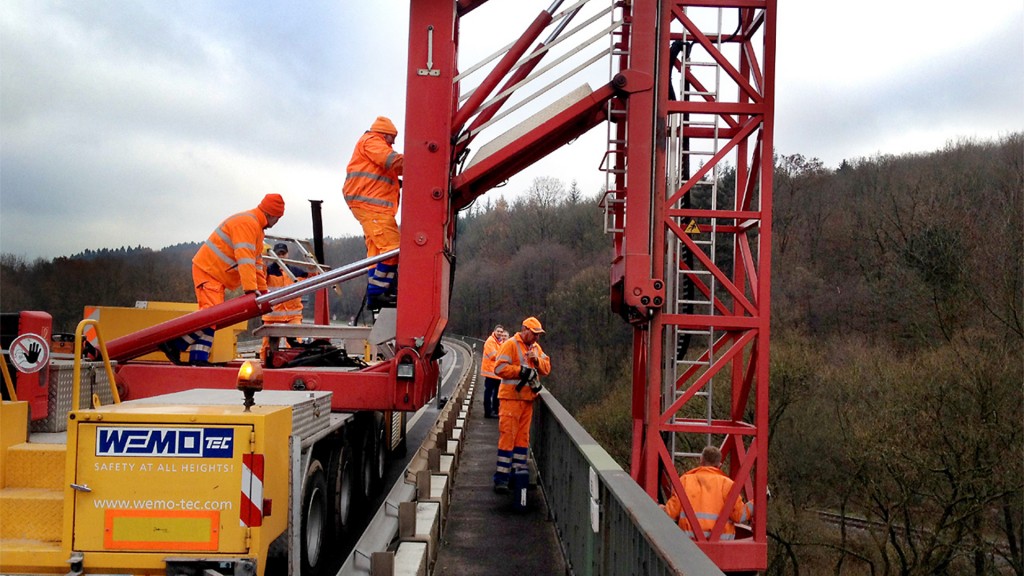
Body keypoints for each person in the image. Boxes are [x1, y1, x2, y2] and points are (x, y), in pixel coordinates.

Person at [159, 193, 285, 365]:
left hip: (213, 273)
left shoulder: (255, 227)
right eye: (277, 218)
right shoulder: (248, 224)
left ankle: (197, 359)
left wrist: (263, 292)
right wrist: (250, 289)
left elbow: (256, 263)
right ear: (271, 214)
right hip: (209, 271)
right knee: (211, 317)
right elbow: (245, 258)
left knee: (211, 319)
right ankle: (175, 344)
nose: (277, 222)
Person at [343, 116, 404, 311]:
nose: (392, 144)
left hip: (369, 204)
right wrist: (421, 160)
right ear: (385, 134)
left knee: (377, 251)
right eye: (392, 139)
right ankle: (378, 293)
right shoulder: (372, 141)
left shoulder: (369, 143)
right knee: (393, 247)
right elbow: (391, 161)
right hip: (371, 204)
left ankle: (379, 291)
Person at [492, 317, 551, 494]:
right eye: (534, 334)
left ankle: (517, 475)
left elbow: (547, 368)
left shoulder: (535, 348)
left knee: (522, 439)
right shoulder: (510, 344)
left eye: (538, 335)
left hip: (527, 400)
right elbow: (499, 368)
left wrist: (537, 361)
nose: (536, 338)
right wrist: (520, 371)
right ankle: (501, 478)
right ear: (525, 330)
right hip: (511, 399)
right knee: (507, 437)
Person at [661, 445, 753, 540]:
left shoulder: (685, 481)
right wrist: (756, 502)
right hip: (721, 546)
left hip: (689, 544)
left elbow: (670, 513)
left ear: (701, 460)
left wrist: (657, 507)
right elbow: (739, 515)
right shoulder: (728, 484)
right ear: (719, 465)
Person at [260, 242, 311, 360]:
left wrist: (311, 262)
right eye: (279, 254)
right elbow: (259, 277)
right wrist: (263, 259)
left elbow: (314, 278)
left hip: (293, 317)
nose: (281, 256)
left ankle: (294, 366)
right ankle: (265, 368)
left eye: (283, 253)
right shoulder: (268, 271)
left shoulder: (297, 272)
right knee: (266, 349)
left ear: (287, 254)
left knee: (296, 347)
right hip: (272, 318)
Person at [480, 325, 507, 418]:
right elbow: (493, 355)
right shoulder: (490, 341)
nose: (499, 333)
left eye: (501, 332)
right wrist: (504, 355)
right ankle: (488, 412)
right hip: (490, 372)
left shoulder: (500, 342)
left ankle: (495, 410)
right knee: (489, 393)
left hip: (497, 373)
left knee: (496, 394)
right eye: (498, 331)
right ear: (494, 331)